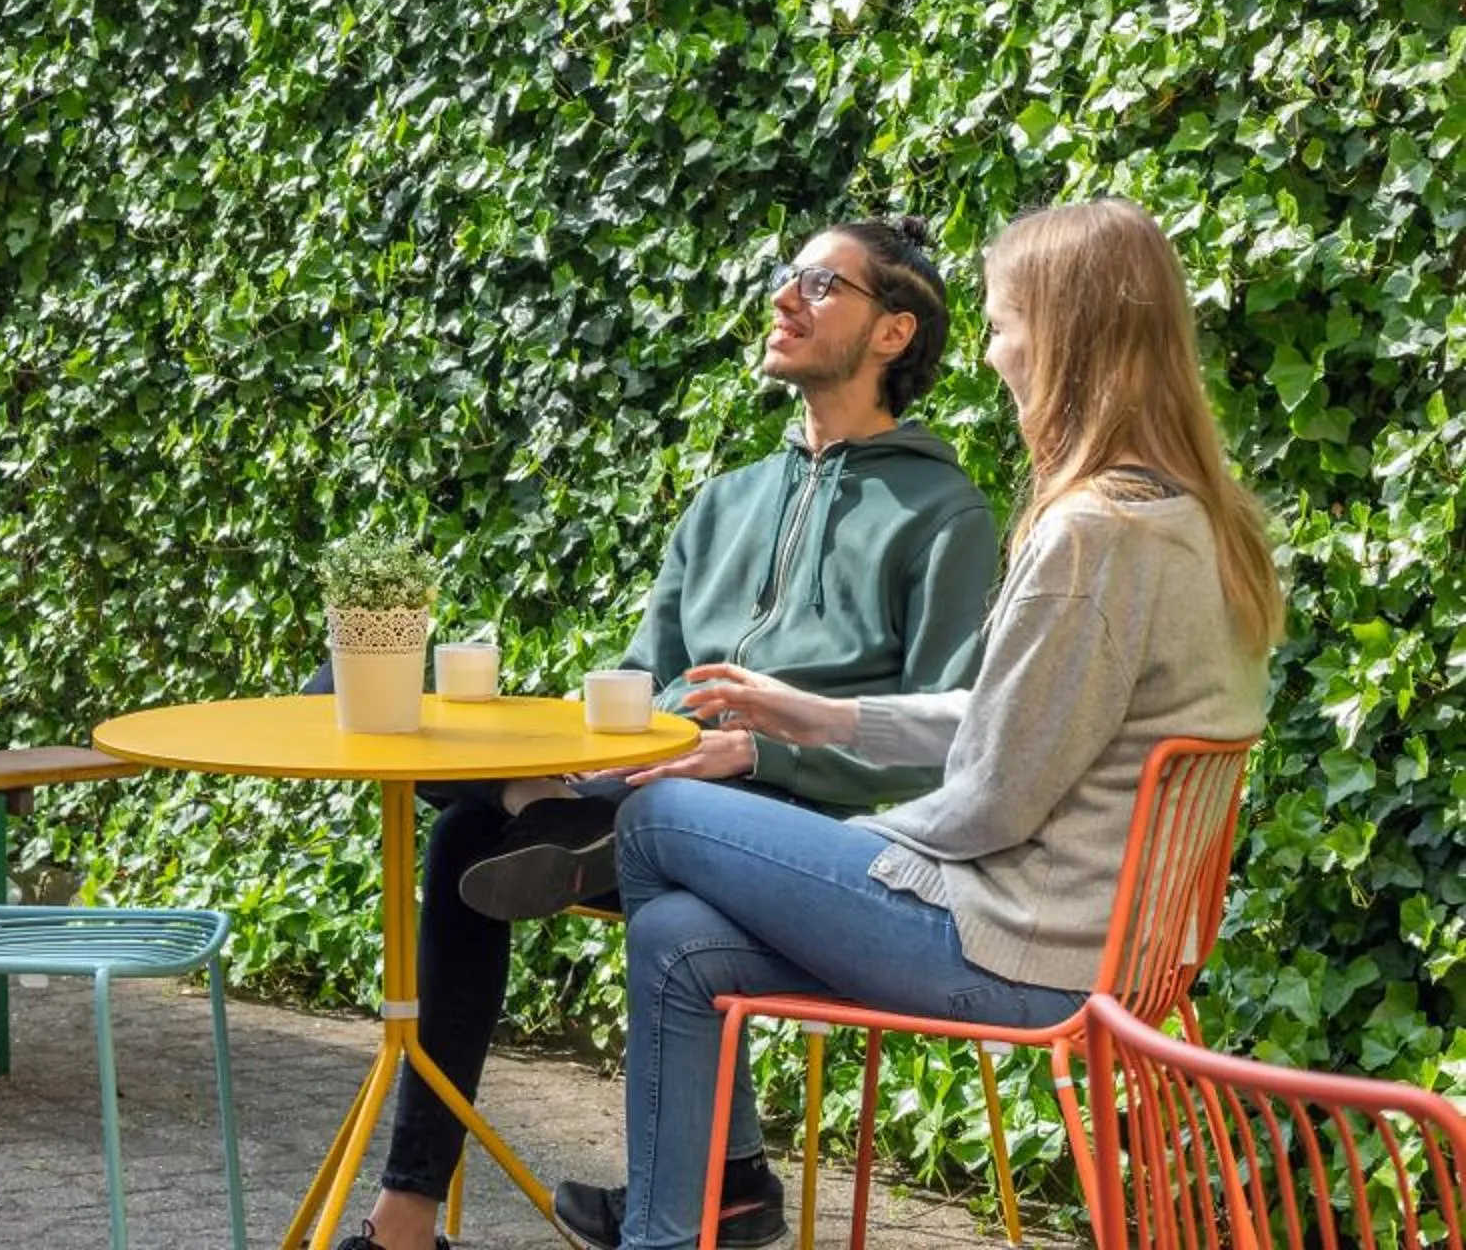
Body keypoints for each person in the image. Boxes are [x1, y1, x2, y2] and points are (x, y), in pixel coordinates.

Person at [549, 197, 1282, 1250]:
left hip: (1022, 942)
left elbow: (994, 795)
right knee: (672, 939)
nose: (991, 355)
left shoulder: (1089, 535)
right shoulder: (1189, 517)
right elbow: (1008, 717)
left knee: (662, 814)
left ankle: (553, 822)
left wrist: (841, 855)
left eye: (1003, 323)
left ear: (1066, 335)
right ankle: (688, 1224)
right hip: (1105, 938)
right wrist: (826, 715)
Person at [347, 217, 999, 1250]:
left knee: (496, 834)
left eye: (823, 284)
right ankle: (410, 1211)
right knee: (457, 805)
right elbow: (646, 676)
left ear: (892, 331)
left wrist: (768, 750)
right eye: (786, 274)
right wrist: (583, 742)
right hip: (656, 782)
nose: (786, 297)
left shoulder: (946, 513)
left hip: (798, 828)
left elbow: (951, 732)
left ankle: (714, 1176)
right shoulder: (723, 499)